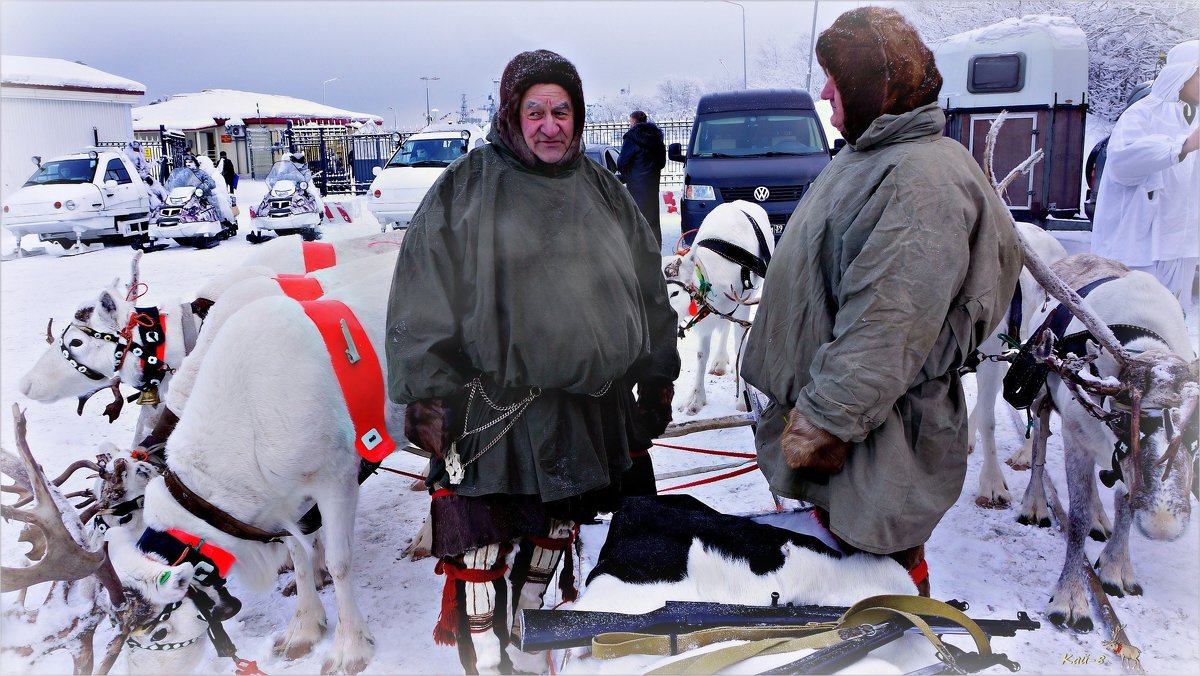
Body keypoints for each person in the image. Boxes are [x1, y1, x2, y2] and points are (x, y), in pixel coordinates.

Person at [385, 49, 679, 673]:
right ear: (512, 116)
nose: (551, 125)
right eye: (536, 111)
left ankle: (531, 630)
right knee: (482, 549)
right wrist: (426, 392)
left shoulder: (603, 190)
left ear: (578, 116)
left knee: (554, 531)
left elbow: (648, 285)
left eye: (562, 111)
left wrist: (656, 374)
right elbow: (421, 291)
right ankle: (488, 659)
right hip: (491, 413)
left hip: (583, 409)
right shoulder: (466, 186)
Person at [739, 7, 1022, 598]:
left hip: (874, 438)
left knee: (874, 575)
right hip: (859, 427)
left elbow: (887, 325)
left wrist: (822, 424)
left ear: (872, 83)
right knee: (845, 566)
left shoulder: (918, 180)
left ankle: (901, 638)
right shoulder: (872, 154)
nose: (824, 93)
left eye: (835, 79)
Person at [1091, 39, 1199, 318]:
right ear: (1182, 75)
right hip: (1138, 248)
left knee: (1172, 323)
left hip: (1180, 247)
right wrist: (1182, 145)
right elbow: (1122, 165)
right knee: (1129, 323)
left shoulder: (1194, 119)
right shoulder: (1142, 114)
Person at [617, 110, 667, 233]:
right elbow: (662, 163)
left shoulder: (632, 138)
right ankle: (655, 248)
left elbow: (621, 163)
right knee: (653, 220)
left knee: (637, 220)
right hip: (652, 187)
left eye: (630, 122)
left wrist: (629, 174)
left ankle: (639, 250)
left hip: (635, 186)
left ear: (633, 121)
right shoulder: (657, 139)